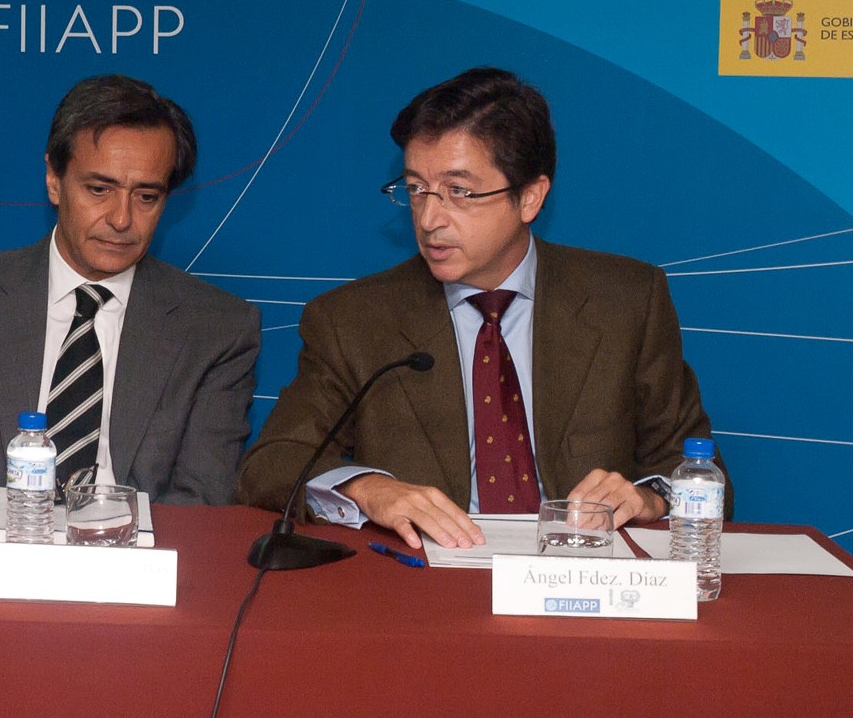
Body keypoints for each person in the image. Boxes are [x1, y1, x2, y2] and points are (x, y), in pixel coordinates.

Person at [237, 66, 731, 549]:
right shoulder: (353, 319)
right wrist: (368, 489)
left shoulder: (625, 301)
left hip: (581, 573)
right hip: (423, 585)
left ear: (530, 197)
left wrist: (648, 499)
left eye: (459, 192)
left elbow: (698, 472)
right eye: (415, 189)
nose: (430, 218)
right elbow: (274, 462)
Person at [0, 73, 261, 504]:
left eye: (146, 197)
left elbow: (200, 505)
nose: (121, 219)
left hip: (132, 561)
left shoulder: (217, 329)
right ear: (54, 181)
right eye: (99, 189)